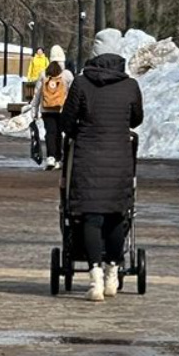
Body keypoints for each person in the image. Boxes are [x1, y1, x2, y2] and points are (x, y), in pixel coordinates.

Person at [60, 52, 142, 302]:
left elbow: (66, 120)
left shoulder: (82, 83)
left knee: (91, 217)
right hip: (119, 158)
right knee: (117, 215)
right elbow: (137, 119)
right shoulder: (130, 86)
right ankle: (112, 273)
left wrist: (81, 133)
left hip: (87, 159)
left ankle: (94, 277)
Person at [29, 61, 71, 168]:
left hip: (46, 109)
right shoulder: (66, 75)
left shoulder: (44, 74)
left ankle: (50, 157)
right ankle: (58, 158)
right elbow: (72, 93)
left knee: (50, 133)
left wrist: (34, 108)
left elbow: (38, 92)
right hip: (61, 109)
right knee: (59, 133)